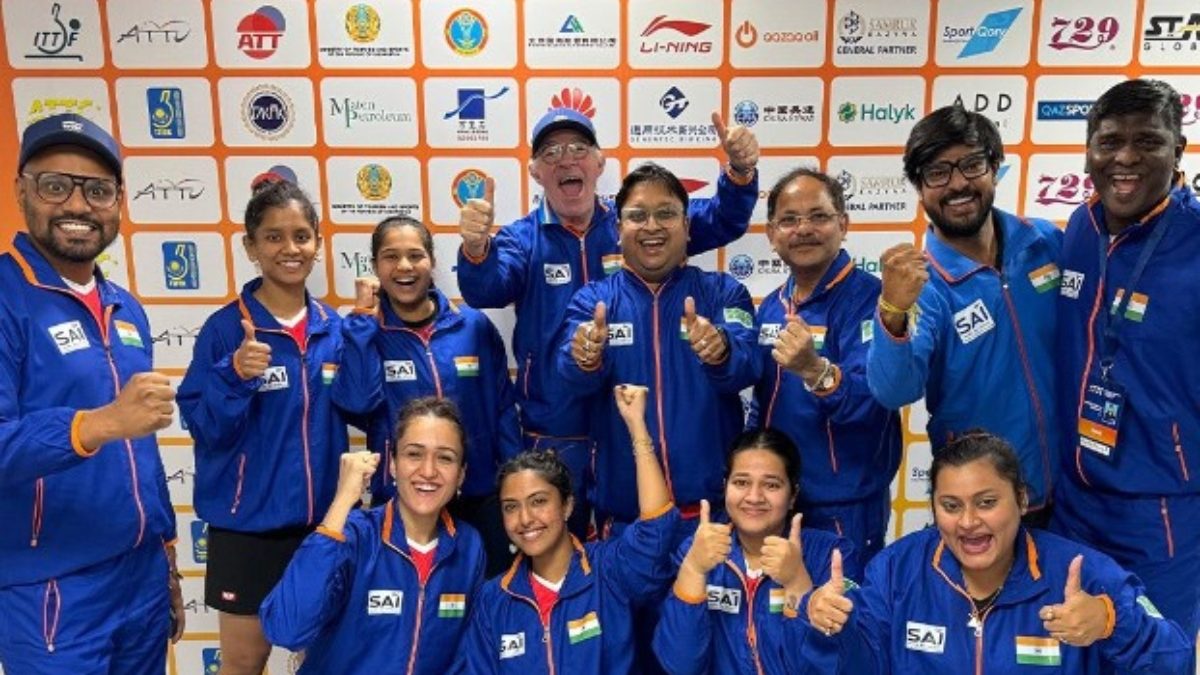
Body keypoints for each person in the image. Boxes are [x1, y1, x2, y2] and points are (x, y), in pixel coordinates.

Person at [457, 107, 759, 536]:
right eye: (551, 152)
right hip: (554, 431)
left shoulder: (634, 218)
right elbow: (485, 289)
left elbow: (722, 217)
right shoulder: (522, 239)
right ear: (535, 172)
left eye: (578, 148)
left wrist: (741, 173)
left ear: (599, 164)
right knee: (563, 559)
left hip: (627, 432)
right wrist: (474, 249)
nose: (566, 160)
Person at [0, 114, 182, 672]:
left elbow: (141, 452)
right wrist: (95, 424)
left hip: (140, 577)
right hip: (51, 588)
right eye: (56, 185)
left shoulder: (125, 306)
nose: (77, 206)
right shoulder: (7, 298)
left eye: (97, 190)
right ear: (22, 190)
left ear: (119, 202)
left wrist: (167, 553)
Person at [796, 432, 1193, 673]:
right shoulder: (896, 571)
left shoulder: (1082, 573)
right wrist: (830, 628)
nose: (968, 522)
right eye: (951, 506)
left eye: (986, 502)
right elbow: (856, 666)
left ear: (1021, 500)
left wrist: (1111, 622)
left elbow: (1177, 659)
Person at [178, 178, 348, 674]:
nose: (289, 249)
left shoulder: (333, 327)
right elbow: (205, 427)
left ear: (317, 243)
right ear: (251, 247)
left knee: (321, 659)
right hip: (246, 530)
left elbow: (362, 405)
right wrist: (234, 375)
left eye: (300, 235)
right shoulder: (226, 328)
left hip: (322, 528)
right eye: (273, 237)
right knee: (245, 662)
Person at [1053, 78, 1200, 654]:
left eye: (1148, 142)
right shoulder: (1079, 228)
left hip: (1161, 508)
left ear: (1179, 151)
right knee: (1070, 654)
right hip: (1073, 498)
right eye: (1110, 141)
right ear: (1089, 151)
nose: (1126, 158)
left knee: (1154, 653)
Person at [867, 105, 1061, 525]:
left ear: (995, 167)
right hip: (981, 504)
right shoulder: (920, 285)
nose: (958, 184)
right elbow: (893, 391)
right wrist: (893, 312)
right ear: (920, 188)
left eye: (972, 164)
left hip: (1073, 490)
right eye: (938, 172)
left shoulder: (1045, 243)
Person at [555, 162, 759, 536]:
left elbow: (750, 365)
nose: (651, 226)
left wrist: (722, 351)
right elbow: (569, 374)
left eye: (666, 214)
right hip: (625, 522)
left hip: (712, 519)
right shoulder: (592, 301)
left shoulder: (723, 292)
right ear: (618, 230)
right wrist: (585, 358)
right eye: (637, 216)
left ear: (686, 226)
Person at [335, 215, 521, 576]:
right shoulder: (364, 331)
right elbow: (356, 402)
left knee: (487, 607)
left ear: (432, 262)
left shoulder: (473, 327)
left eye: (415, 255)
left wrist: (512, 482)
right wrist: (361, 323)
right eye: (390, 256)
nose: (404, 266)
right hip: (406, 502)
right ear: (374, 266)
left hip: (479, 498)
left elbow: (502, 410)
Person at [453, 384, 677, 674]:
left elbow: (656, 528)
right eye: (511, 506)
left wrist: (637, 427)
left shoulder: (609, 570)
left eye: (539, 501)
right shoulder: (493, 600)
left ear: (568, 506)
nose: (525, 518)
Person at [260, 397, 486, 673]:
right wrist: (343, 500)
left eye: (445, 458)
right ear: (392, 464)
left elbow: (462, 658)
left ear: (461, 475)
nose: (428, 471)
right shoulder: (352, 535)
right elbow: (287, 630)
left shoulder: (469, 546)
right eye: (414, 454)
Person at [748, 168, 901, 566]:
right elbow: (762, 401)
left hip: (842, 507)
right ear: (771, 233)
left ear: (843, 224)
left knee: (839, 618)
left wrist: (815, 370)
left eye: (818, 216)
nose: (804, 229)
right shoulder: (772, 304)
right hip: (777, 499)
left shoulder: (871, 300)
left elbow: (873, 399)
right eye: (789, 219)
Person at [653, 428, 858, 674]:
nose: (754, 496)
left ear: (793, 495)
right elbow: (680, 666)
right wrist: (694, 570)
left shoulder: (832, 555)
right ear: (725, 487)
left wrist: (797, 582)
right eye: (741, 482)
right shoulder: (697, 551)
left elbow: (834, 666)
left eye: (771, 485)